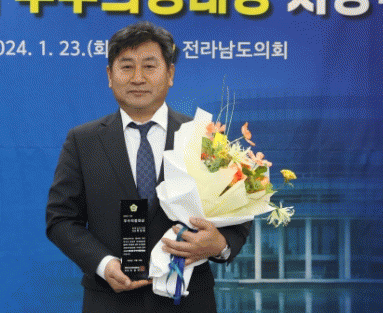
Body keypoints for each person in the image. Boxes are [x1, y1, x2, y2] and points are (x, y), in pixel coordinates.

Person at [46, 21, 251, 312]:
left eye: (149, 66)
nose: (137, 78)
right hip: (109, 300)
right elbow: (61, 220)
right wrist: (104, 264)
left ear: (170, 74)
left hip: (187, 299)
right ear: (110, 75)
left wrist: (219, 243)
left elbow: (237, 215)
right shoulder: (83, 140)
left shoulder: (202, 135)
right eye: (126, 66)